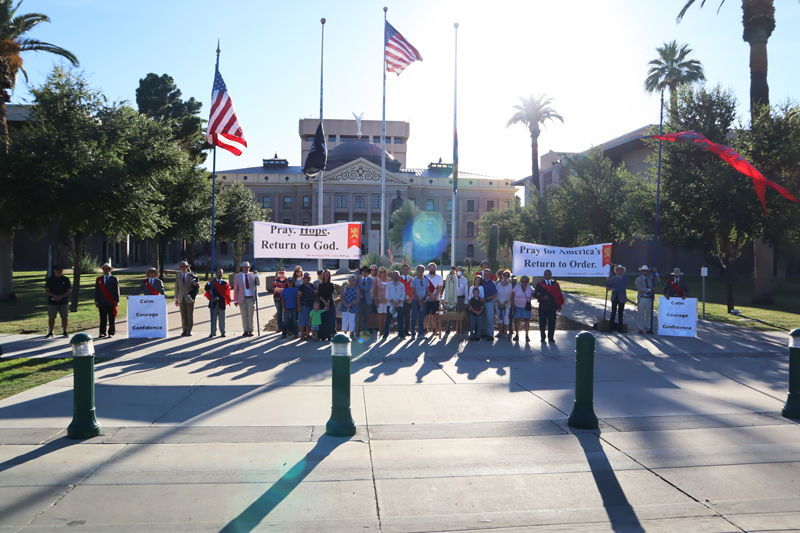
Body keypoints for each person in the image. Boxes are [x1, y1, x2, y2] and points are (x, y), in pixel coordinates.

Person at [534, 269, 565, 343]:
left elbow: (558, 296)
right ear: (544, 275)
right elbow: (536, 295)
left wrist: (558, 305)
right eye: (546, 274)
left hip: (552, 308)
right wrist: (542, 298)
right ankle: (543, 337)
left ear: (551, 275)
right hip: (543, 307)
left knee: (552, 323)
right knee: (542, 323)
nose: (547, 275)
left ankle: (551, 337)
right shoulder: (540, 284)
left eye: (549, 274)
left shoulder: (555, 285)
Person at [233, 261, 260, 337]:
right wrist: (235, 300)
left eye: (247, 267)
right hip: (242, 299)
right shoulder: (237, 277)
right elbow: (236, 289)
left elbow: (258, 283)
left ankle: (251, 330)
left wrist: (256, 275)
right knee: (244, 315)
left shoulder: (253, 275)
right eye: (244, 267)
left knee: (250, 315)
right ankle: (245, 330)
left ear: (249, 267)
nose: (246, 268)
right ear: (242, 268)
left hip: (251, 298)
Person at [174, 260, 199, 337]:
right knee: (183, 315)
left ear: (187, 267)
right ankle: (184, 330)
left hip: (189, 298)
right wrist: (176, 299)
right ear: (180, 268)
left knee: (189, 315)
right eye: (182, 267)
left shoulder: (191, 276)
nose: (184, 268)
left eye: (185, 267)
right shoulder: (178, 277)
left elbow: (197, 285)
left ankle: (189, 330)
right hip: (181, 298)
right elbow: (176, 288)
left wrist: (196, 284)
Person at [45, 264, 71, 338]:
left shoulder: (66, 279)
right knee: (51, 317)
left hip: (63, 301)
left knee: (64, 317)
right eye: (57, 270)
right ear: (54, 271)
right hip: (52, 301)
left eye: (60, 270)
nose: (59, 271)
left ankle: (65, 331)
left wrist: (61, 296)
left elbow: (68, 290)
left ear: (62, 271)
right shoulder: (50, 279)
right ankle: (51, 332)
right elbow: (47, 290)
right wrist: (54, 296)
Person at [96, 262, 121, 338]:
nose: (106, 270)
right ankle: (102, 332)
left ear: (110, 270)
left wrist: (117, 301)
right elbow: (97, 291)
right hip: (102, 302)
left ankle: (111, 332)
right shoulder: (99, 279)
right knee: (103, 318)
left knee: (111, 318)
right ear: (103, 270)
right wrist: (97, 301)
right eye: (104, 269)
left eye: (107, 269)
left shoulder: (114, 279)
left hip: (111, 302)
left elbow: (117, 291)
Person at [204, 267, 230, 338]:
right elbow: (206, 288)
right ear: (216, 273)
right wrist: (209, 281)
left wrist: (217, 298)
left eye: (220, 272)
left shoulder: (225, 283)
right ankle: (213, 332)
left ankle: (223, 332)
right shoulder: (212, 282)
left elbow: (225, 294)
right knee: (213, 318)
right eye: (218, 272)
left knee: (222, 319)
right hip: (213, 303)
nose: (219, 274)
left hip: (221, 303)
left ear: (222, 274)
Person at [635, 265, 660, 334]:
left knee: (648, 314)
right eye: (644, 271)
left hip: (649, 298)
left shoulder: (650, 278)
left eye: (646, 271)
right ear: (641, 271)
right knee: (640, 313)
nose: (645, 272)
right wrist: (649, 289)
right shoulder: (638, 279)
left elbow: (658, 280)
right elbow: (640, 288)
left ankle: (648, 328)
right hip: (642, 298)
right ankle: (640, 328)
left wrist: (656, 272)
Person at [510, 275, 534, 342]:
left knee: (527, 321)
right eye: (523, 281)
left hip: (526, 307)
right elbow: (512, 296)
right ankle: (517, 335)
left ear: (528, 282)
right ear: (520, 281)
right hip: (517, 306)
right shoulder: (516, 287)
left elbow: (533, 295)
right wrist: (513, 305)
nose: (524, 282)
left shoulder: (530, 288)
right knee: (517, 321)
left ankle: (527, 336)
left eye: (526, 281)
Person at [384, 270, 407, 338]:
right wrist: (394, 303)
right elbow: (387, 295)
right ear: (392, 276)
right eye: (394, 275)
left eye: (397, 275)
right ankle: (385, 334)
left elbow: (403, 295)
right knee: (388, 320)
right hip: (390, 305)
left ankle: (401, 334)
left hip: (400, 305)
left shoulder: (402, 285)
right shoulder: (388, 285)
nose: (395, 276)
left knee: (400, 320)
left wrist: (398, 302)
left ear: (399, 276)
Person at [606, 265, 628, 333]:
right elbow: (608, 286)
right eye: (618, 270)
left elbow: (622, 288)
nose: (619, 271)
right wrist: (607, 281)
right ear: (616, 271)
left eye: (620, 270)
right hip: (614, 298)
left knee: (620, 313)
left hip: (621, 297)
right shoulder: (613, 279)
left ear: (622, 271)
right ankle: (611, 328)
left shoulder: (625, 279)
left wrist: (613, 289)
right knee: (613, 313)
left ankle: (620, 328)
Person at [424, 263, 443, 336]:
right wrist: (431, 295)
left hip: (436, 299)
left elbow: (439, 288)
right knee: (426, 315)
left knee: (434, 315)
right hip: (427, 299)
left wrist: (435, 296)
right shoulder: (425, 277)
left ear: (436, 269)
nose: (432, 269)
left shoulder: (439, 277)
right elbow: (426, 289)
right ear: (428, 269)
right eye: (431, 268)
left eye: (433, 268)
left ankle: (435, 329)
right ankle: (425, 329)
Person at [317, 270, 337, 341]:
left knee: (330, 319)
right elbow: (319, 294)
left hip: (330, 304)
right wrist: (324, 302)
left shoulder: (331, 285)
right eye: (325, 274)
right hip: (322, 304)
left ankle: (330, 335)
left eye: (327, 274)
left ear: (329, 276)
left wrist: (327, 304)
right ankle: (323, 335)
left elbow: (329, 295)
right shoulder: (320, 285)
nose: (326, 276)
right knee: (323, 320)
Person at [355, 266, 374, 336]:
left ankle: (364, 331)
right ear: (361, 272)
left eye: (366, 271)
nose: (365, 273)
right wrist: (356, 281)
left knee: (366, 317)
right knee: (359, 316)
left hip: (367, 300)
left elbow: (368, 289)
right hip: (359, 300)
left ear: (368, 272)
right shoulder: (358, 279)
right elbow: (354, 287)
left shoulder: (371, 280)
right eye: (363, 271)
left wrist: (360, 286)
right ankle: (357, 330)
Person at [409, 265, 428, 340]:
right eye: (419, 270)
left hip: (424, 301)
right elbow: (413, 292)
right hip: (415, 301)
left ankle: (420, 333)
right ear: (417, 271)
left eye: (422, 270)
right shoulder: (414, 280)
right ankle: (413, 334)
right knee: (414, 317)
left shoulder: (426, 280)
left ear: (423, 271)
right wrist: (419, 301)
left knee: (421, 318)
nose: (420, 271)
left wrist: (423, 299)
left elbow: (427, 291)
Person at [340, 275, 360, 340]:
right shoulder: (344, 288)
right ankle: (344, 333)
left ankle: (352, 333)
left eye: (353, 280)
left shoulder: (357, 289)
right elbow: (341, 297)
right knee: (344, 320)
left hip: (353, 307)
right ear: (348, 280)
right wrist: (345, 304)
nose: (352, 281)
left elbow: (357, 298)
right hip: (344, 306)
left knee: (352, 320)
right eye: (350, 280)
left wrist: (351, 304)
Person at [371, 266, 390, 336]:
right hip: (379, 300)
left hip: (387, 301)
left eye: (384, 271)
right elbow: (374, 291)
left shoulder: (389, 280)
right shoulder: (377, 280)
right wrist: (376, 300)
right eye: (381, 272)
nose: (382, 273)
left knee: (385, 315)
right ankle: (380, 329)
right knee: (380, 315)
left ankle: (385, 328)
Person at [297, 272, 315, 340]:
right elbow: (298, 297)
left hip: (311, 305)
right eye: (306, 278)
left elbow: (314, 294)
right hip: (304, 305)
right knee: (303, 321)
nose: (307, 279)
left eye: (308, 278)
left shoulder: (311, 285)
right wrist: (299, 307)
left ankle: (308, 334)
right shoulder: (301, 286)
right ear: (304, 278)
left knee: (309, 321)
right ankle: (302, 335)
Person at [481, 268, 497, 341]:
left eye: (487, 274)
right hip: (482, 302)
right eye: (485, 274)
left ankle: (491, 334)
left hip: (489, 302)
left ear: (490, 275)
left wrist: (486, 298)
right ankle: (485, 332)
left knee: (490, 318)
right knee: (484, 318)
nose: (486, 275)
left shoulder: (492, 283)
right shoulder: (482, 282)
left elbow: (495, 295)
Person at [495, 270, 513, 339]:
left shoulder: (510, 285)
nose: (505, 277)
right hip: (498, 303)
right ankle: (500, 332)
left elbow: (510, 296)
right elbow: (496, 294)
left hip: (506, 304)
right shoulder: (498, 284)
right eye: (504, 275)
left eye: (507, 275)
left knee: (505, 318)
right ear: (502, 276)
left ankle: (505, 332)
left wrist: (505, 303)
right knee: (499, 318)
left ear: (508, 277)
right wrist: (499, 302)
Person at [399, 264, 414, 336]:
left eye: (406, 269)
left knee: (407, 316)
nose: (405, 271)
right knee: (400, 317)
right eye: (404, 269)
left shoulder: (412, 279)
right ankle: (400, 331)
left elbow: (413, 290)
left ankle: (406, 331)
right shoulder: (399, 279)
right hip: (400, 301)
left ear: (409, 270)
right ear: (402, 270)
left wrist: (409, 298)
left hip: (409, 301)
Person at [272, 267, 288, 333]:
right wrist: (283, 289)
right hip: (277, 298)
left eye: (283, 272)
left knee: (286, 313)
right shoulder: (276, 280)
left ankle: (285, 327)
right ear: (279, 273)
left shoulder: (287, 280)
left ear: (284, 272)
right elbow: (275, 289)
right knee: (279, 313)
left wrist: (280, 289)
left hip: (286, 299)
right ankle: (280, 327)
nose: (281, 274)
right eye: (280, 272)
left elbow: (287, 289)